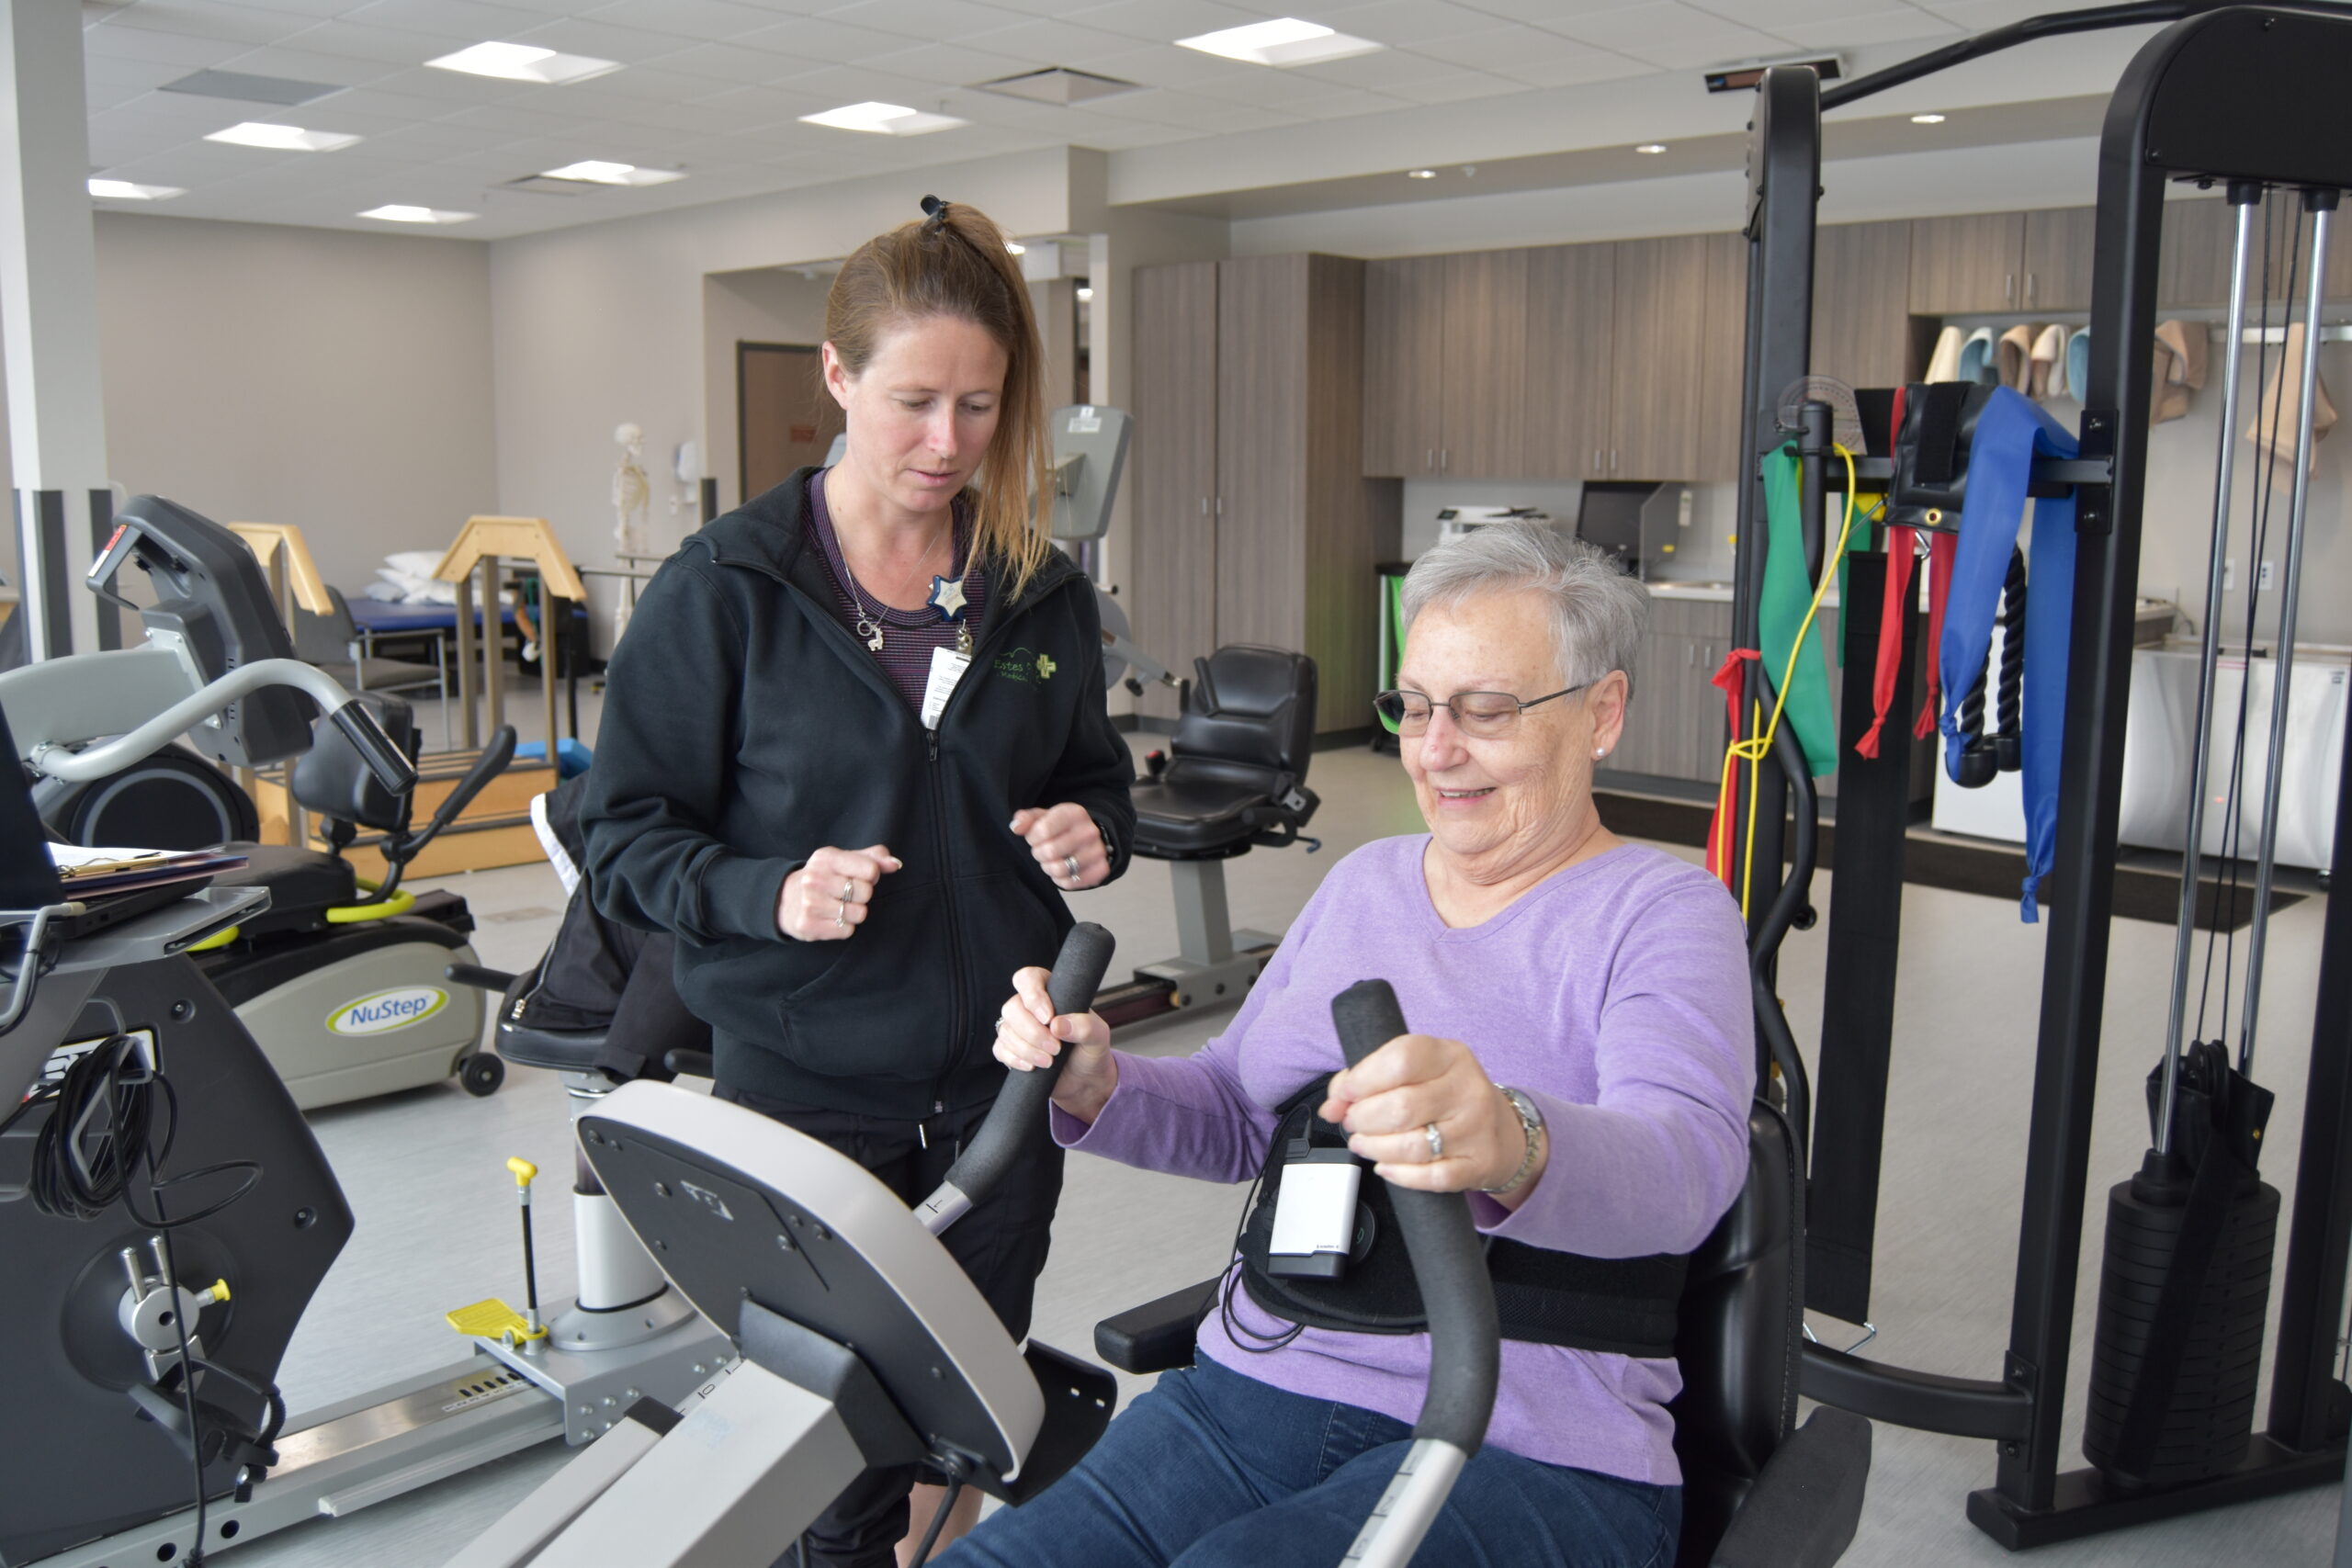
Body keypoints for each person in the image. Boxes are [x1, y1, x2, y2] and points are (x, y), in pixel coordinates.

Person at [942, 525, 1754, 1568]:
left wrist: (1515, 1140)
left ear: (1601, 714)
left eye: (1487, 710)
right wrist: (1101, 1084)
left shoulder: (1661, 911)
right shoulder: (1365, 885)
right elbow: (1238, 1113)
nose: (1434, 748)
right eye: (1415, 707)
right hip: (1255, 1395)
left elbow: (1688, 1164)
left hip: (1530, 1441)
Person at [581, 196, 1136, 1568]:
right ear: (836, 379)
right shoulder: (727, 591)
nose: (947, 443)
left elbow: (1100, 781)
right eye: (912, 402)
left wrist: (1090, 831)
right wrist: (769, 890)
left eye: (980, 405)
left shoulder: (1036, 590)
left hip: (1003, 1068)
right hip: (811, 1072)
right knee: (835, 1439)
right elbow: (625, 837)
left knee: (973, 1388)